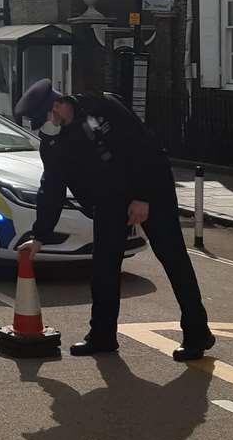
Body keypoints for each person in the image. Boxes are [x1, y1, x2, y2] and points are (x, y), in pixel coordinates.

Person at [13, 78, 214, 362]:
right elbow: (52, 188)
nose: (44, 128)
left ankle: (197, 333)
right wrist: (41, 235)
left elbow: (146, 149)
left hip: (150, 192)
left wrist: (143, 197)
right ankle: (102, 336)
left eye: (44, 119)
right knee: (104, 268)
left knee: (174, 260)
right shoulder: (53, 142)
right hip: (109, 201)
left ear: (57, 106)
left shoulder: (103, 107)